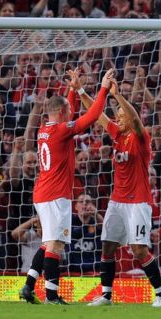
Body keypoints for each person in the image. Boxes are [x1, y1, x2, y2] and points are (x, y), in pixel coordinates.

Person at [67, 68, 161, 307]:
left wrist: (117, 96)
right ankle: (106, 295)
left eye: (121, 115)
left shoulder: (141, 136)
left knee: (138, 250)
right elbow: (96, 113)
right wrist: (80, 89)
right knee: (108, 245)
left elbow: (134, 118)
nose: (118, 118)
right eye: (118, 115)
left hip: (139, 202)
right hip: (117, 201)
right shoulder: (116, 133)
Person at [20, 69, 114, 305]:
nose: (72, 112)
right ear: (62, 113)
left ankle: (28, 286)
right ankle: (51, 296)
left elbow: (65, 110)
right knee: (56, 244)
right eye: (69, 111)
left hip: (42, 192)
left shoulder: (44, 130)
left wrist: (72, 89)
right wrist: (102, 88)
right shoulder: (61, 131)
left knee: (47, 242)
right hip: (55, 195)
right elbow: (92, 116)